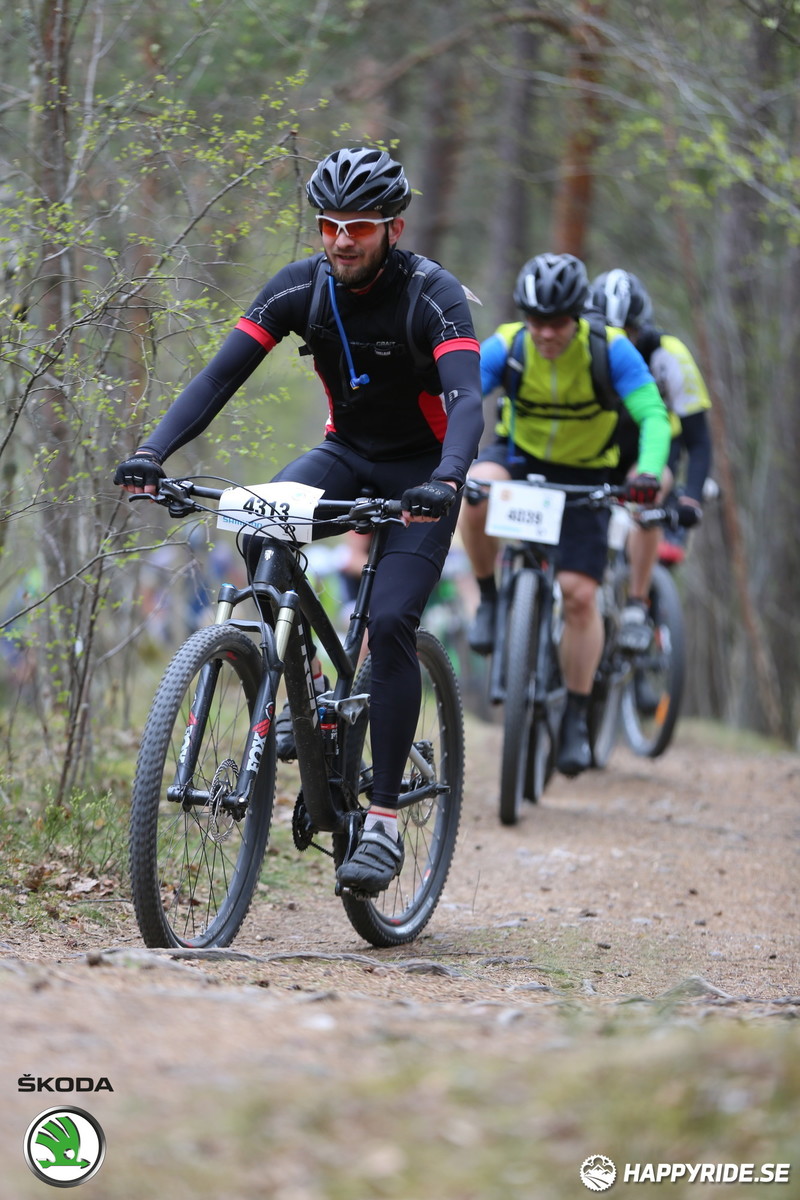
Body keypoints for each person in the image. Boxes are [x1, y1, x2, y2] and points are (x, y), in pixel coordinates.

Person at [114, 146, 483, 896]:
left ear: (392, 226)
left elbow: (469, 401)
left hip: (423, 473)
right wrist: (153, 451)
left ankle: (381, 819)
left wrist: (448, 479)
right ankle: (305, 691)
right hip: (346, 453)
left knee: (389, 622)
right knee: (256, 523)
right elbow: (219, 375)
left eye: (359, 227)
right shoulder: (299, 290)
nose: (342, 240)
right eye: (329, 225)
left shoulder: (432, 295)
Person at [459, 252, 670, 777]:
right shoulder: (507, 346)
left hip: (584, 476)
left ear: (578, 316)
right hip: (520, 461)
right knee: (475, 490)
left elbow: (653, 416)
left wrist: (646, 472)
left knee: (579, 596)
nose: (545, 333)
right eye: (535, 320)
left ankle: (576, 714)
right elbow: (460, 396)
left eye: (556, 323)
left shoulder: (611, 350)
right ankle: (489, 598)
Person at [589, 268, 712, 589]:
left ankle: (636, 602)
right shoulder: (576, 348)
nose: (617, 340)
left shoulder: (669, 355)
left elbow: (698, 438)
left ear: (640, 328)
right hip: (593, 450)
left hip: (650, 452)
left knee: (648, 496)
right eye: (605, 330)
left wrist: (691, 499)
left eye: (626, 331)